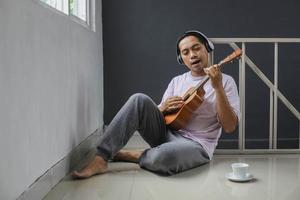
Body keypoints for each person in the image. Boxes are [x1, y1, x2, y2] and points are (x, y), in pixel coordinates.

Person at [72, 30, 240, 178]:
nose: (192, 55)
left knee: (164, 158)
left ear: (207, 48)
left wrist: (217, 88)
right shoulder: (177, 81)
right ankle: (101, 158)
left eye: (196, 48)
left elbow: (230, 126)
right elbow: (161, 116)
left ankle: (134, 155)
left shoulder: (226, 82)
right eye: (185, 52)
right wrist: (163, 107)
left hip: (197, 145)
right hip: (167, 133)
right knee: (139, 99)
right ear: (181, 58)